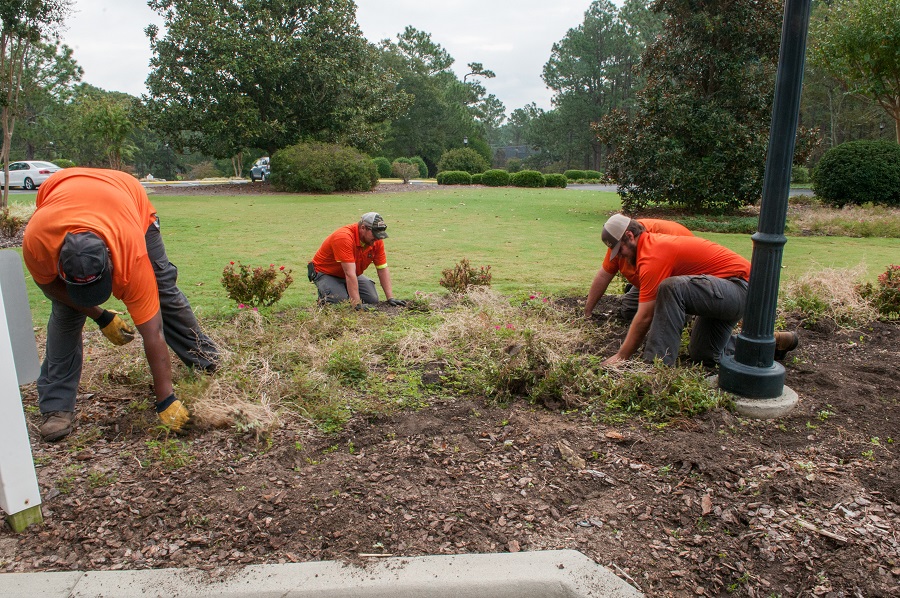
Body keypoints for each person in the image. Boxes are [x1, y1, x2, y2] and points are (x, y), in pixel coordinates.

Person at [22, 168, 219, 442]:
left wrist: (166, 399)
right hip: (61, 188)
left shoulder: (131, 256)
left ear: (111, 263)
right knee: (66, 311)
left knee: (163, 289)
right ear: (60, 266)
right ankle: (57, 407)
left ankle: (207, 361)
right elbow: (48, 285)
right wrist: (101, 316)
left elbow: (153, 332)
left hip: (127, 196)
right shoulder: (38, 241)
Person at [599, 215, 798, 367]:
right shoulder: (649, 248)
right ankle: (768, 343)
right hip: (721, 292)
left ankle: (656, 366)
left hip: (742, 287)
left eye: (620, 250)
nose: (621, 257)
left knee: (670, 287)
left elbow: (645, 316)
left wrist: (621, 356)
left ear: (630, 236)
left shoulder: (653, 254)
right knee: (704, 355)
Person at [584, 214, 692, 321]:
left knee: (664, 316)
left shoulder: (656, 239)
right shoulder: (619, 242)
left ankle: (688, 314)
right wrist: (587, 312)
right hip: (651, 278)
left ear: (630, 236)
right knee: (629, 309)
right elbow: (603, 276)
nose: (619, 255)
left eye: (619, 250)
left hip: (682, 278)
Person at [308, 212, 406, 308]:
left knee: (372, 300)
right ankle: (324, 299)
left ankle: (342, 290)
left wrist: (390, 298)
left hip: (348, 273)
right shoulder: (343, 237)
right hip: (326, 273)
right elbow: (349, 274)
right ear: (363, 228)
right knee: (340, 302)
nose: (377, 238)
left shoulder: (375, 240)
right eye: (375, 234)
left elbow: (382, 269)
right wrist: (357, 304)